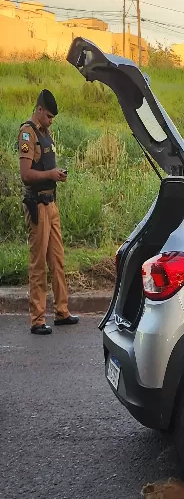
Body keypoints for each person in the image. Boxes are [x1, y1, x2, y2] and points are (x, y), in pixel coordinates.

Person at [18, 89, 78, 336]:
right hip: (37, 206)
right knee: (38, 264)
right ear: (40, 109)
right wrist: (50, 175)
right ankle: (38, 319)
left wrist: (57, 175)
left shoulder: (46, 133)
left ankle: (62, 312)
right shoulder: (27, 133)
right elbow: (26, 174)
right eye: (49, 116)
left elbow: (46, 165)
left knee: (58, 260)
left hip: (51, 205)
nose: (51, 120)